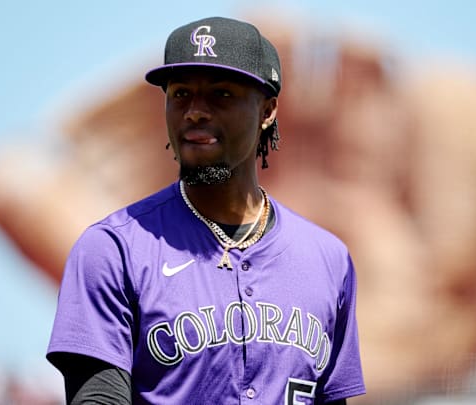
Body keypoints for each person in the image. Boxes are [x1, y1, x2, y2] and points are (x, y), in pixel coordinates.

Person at [46, 16, 366, 404]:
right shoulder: (113, 249)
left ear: (267, 110)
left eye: (221, 94)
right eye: (180, 94)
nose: (195, 111)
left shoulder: (327, 260)